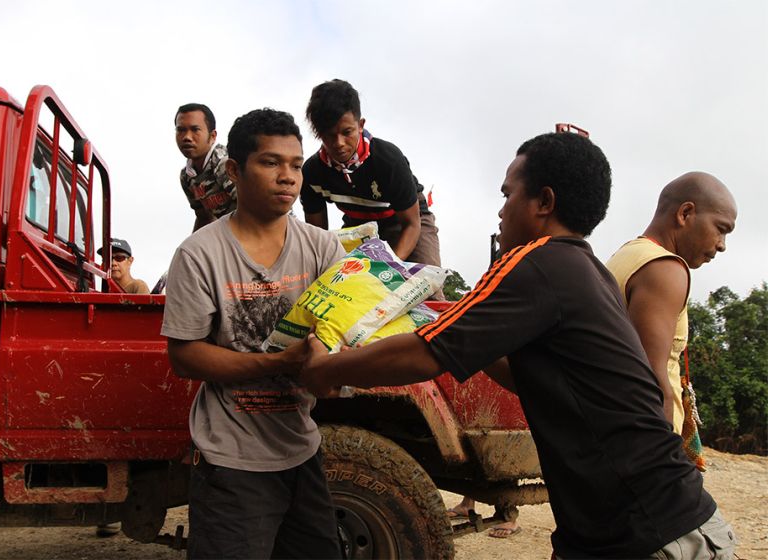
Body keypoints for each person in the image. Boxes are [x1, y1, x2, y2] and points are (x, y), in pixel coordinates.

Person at [300, 132, 737, 559]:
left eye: (508, 195)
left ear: (544, 203)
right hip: (623, 527)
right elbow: (536, 375)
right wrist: (465, 338)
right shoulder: (580, 267)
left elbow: (423, 355)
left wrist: (328, 368)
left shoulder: (539, 263)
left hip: (654, 533)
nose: (501, 211)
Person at [161, 108, 344, 559]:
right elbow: (185, 356)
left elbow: (346, 334)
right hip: (230, 464)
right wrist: (276, 363)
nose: (288, 177)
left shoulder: (323, 248)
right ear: (234, 170)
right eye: (270, 162)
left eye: (296, 165)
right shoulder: (198, 255)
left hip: (302, 450)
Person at [606, 173, 736, 436]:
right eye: (720, 229)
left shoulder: (628, 254)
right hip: (645, 449)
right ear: (685, 213)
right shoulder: (664, 268)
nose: (722, 245)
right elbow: (651, 380)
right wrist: (665, 465)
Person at [300, 79, 441, 266]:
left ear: (360, 125)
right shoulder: (311, 173)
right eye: (329, 135)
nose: (339, 143)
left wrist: (390, 269)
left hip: (405, 222)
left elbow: (412, 225)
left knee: (424, 285)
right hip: (358, 226)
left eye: (347, 132)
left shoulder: (388, 160)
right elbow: (317, 238)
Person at [175, 103, 236, 232]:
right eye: (181, 130)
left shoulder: (224, 163)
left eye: (195, 129)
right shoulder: (187, 176)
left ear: (212, 136)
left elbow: (255, 207)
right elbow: (203, 217)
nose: (187, 137)